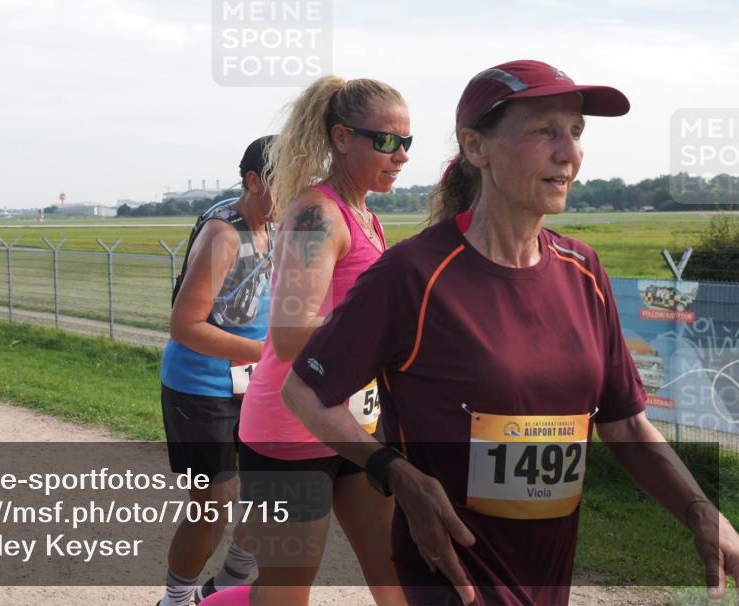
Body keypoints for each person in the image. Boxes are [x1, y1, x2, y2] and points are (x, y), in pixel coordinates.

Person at [281, 60, 739, 606]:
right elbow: (303, 390)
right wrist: (394, 471)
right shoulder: (414, 275)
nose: (568, 152)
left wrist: (699, 512)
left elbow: (626, 425)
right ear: (477, 148)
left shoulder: (584, 269)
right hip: (452, 581)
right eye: (544, 130)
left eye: (575, 132)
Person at [203, 77, 412, 606]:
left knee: (397, 580)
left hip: (350, 423)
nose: (401, 155)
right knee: (285, 593)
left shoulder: (366, 214)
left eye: (408, 142)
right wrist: (391, 334)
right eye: (386, 141)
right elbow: (292, 334)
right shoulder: (314, 214)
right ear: (342, 138)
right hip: (287, 431)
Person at [158, 136, 276, 606]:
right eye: (284, 183)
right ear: (252, 180)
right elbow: (185, 326)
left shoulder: (278, 222)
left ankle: (230, 579)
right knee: (214, 504)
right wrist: (267, 352)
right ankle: (176, 598)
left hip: (257, 380)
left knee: (273, 489)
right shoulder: (225, 234)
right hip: (201, 386)